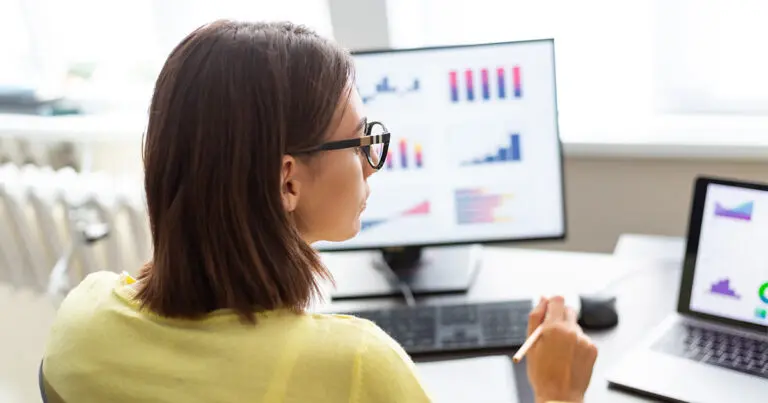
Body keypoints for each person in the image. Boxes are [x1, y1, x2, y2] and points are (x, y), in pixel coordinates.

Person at [41, 20, 597, 403]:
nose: (372, 164)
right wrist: (554, 392)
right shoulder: (356, 368)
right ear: (288, 180)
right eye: (359, 143)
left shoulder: (80, 322)